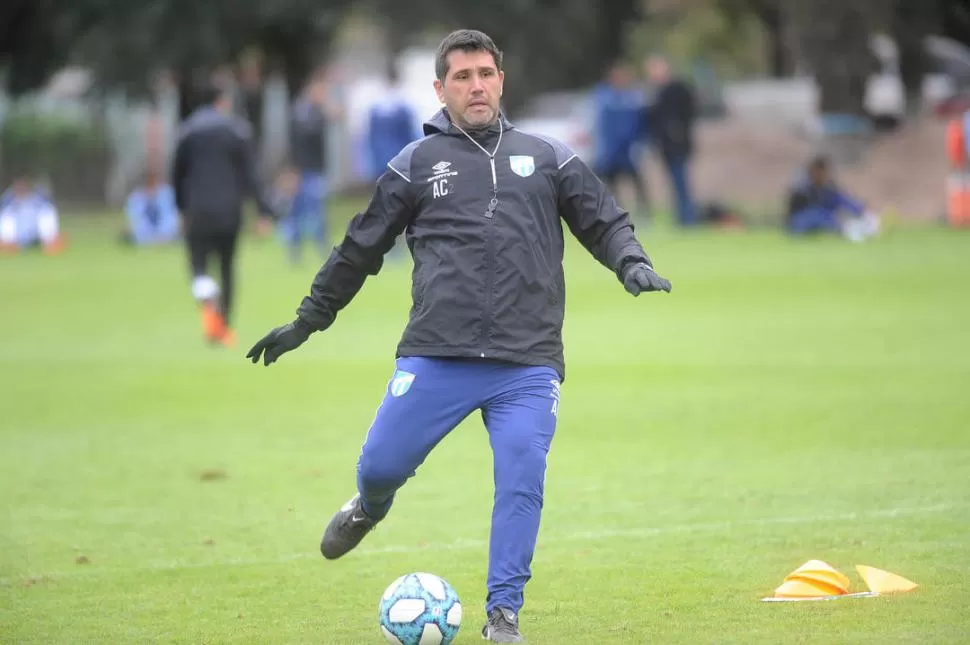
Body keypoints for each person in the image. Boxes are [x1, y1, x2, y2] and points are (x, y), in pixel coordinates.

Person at [246, 29, 671, 643]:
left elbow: (604, 220)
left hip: (526, 364)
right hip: (436, 356)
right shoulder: (415, 164)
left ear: (502, 80)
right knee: (380, 466)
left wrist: (629, 261)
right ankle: (368, 506)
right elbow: (358, 249)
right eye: (463, 76)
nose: (477, 86)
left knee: (522, 478)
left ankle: (503, 615)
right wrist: (307, 321)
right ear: (440, 88)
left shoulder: (548, 156)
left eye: (486, 74)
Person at [172, 83, 275, 347]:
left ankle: (209, 306)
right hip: (230, 211)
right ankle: (224, 325)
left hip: (197, 211)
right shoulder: (236, 131)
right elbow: (251, 175)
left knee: (198, 267)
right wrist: (263, 211)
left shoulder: (187, 132)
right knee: (227, 268)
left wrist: (180, 208)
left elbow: (176, 175)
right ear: (222, 102)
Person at [283, 72, 342, 264]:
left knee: (313, 212)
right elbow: (296, 142)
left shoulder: (313, 112)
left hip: (314, 170)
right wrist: (292, 171)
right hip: (304, 171)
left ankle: (317, 249)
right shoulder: (303, 113)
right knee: (303, 213)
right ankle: (297, 250)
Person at [644, 55, 698, 227]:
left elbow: (687, 114)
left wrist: (676, 132)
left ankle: (687, 218)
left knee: (681, 182)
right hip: (666, 146)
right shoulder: (657, 93)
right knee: (674, 183)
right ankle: (682, 217)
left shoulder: (677, 90)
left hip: (677, 146)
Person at [591, 61, 650, 219]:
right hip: (610, 152)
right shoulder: (604, 97)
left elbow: (640, 124)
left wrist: (640, 144)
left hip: (628, 151)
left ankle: (644, 215)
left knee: (637, 183)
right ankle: (617, 216)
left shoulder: (633, 97)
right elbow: (598, 125)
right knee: (611, 187)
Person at [786, 154, 880, 242]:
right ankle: (847, 229)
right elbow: (796, 211)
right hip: (801, 221)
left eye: (824, 173)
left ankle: (864, 217)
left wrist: (860, 209)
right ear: (813, 171)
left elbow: (841, 200)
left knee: (834, 206)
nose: (823, 175)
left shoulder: (828, 188)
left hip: (823, 219)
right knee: (818, 214)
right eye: (820, 172)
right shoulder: (802, 188)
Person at [365, 66, 421, 184]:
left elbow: (370, 138)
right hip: (400, 158)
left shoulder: (376, 107)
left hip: (381, 159)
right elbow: (412, 136)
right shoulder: (404, 105)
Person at [0, 175, 64, 255]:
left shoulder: (40, 198)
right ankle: (8, 243)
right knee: (7, 216)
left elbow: (49, 213)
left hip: (36, 232)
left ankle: (50, 243)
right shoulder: (8, 200)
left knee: (46, 213)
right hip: (18, 233)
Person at [120, 168, 180, 246]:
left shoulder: (166, 194)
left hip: (165, 232)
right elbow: (134, 218)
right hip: (144, 234)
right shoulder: (136, 197)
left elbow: (171, 217)